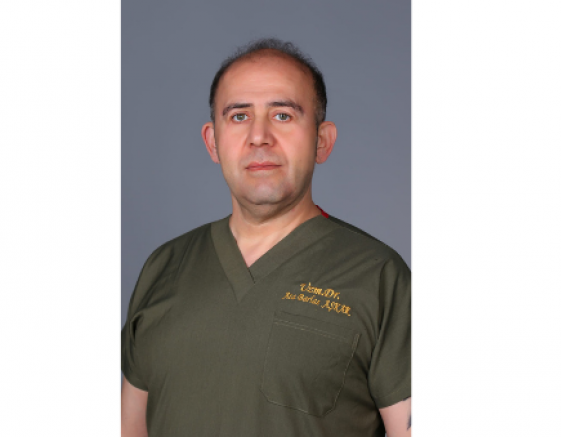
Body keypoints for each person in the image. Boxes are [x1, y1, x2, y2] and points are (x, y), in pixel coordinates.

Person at [121, 38, 411, 437]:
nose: (259, 136)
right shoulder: (164, 267)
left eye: (283, 115)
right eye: (239, 116)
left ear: (322, 141)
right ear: (212, 142)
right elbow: (130, 427)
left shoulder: (379, 277)